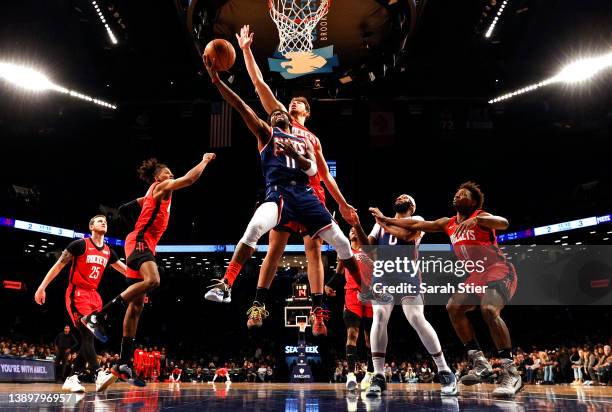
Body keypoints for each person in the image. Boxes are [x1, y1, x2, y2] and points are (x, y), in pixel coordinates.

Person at [206, 25, 358, 337]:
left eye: (300, 102)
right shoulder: (277, 119)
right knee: (274, 246)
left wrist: (342, 204)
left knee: (314, 250)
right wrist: (246, 50)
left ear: (308, 111)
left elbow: (325, 175)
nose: (294, 103)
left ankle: (318, 312)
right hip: (282, 189)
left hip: (310, 187)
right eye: (292, 101)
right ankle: (258, 303)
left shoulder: (312, 138)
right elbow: (258, 84)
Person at [370, 182, 521, 397]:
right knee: (453, 307)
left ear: (473, 202)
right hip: (475, 275)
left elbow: (504, 223)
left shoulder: (481, 216)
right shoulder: (448, 223)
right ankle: (480, 362)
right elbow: (413, 226)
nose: (457, 196)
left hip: (497, 270)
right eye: (457, 193)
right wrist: (384, 219)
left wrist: (478, 219)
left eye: (463, 194)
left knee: (488, 310)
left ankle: (510, 371)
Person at [83, 154, 216, 388]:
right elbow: (190, 179)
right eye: (167, 172)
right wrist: (204, 161)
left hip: (140, 241)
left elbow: (124, 209)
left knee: (137, 306)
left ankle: (123, 363)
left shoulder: (149, 196)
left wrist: (135, 226)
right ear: (157, 177)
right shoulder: (161, 187)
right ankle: (99, 315)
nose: (170, 175)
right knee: (153, 280)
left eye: (170, 173)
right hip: (140, 242)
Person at [354, 194, 457, 396]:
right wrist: (357, 225)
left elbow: (406, 236)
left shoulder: (417, 220)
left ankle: (444, 370)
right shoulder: (379, 224)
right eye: (399, 196)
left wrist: (383, 220)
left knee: (417, 318)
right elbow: (369, 251)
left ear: (411, 205)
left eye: (405, 197)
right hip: (383, 274)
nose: (400, 197)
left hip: (407, 274)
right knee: (380, 317)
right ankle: (379, 375)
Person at [35, 215, 128, 392]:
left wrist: (144, 278)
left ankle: (72, 378)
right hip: (77, 294)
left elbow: (126, 272)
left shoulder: (109, 251)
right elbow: (58, 266)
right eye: (99, 220)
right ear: (91, 226)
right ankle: (99, 374)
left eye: (105, 221)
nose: (104, 222)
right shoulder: (79, 245)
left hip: (94, 297)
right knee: (86, 333)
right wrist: (41, 287)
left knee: (89, 339)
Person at [325, 228, 375, 391]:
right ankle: (351, 375)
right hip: (351, 295)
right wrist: (329, 285)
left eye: (356, 230)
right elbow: (339, 273)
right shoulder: (345, 252)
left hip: (371, 295)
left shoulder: (370, 249)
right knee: (352, 334)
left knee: (369, 338)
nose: (353, 231)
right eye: (351, 230)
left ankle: (370, 373)